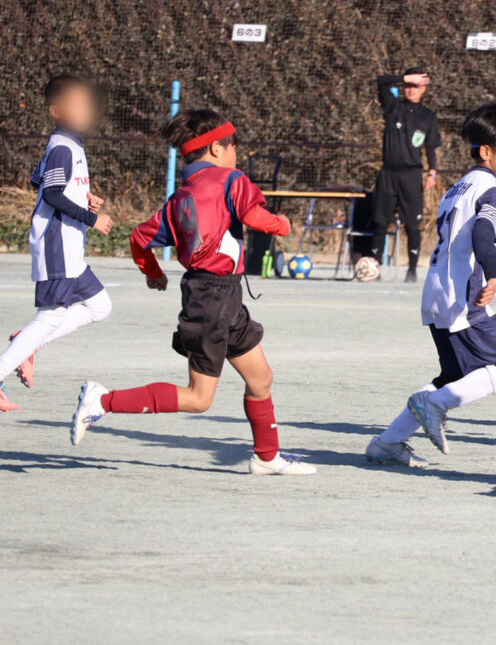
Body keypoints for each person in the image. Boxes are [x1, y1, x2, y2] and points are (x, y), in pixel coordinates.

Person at [69, 109, 316, 475]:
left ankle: (267, 458)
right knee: (199, 398)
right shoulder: (232, 179)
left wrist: (154, 273)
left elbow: (139, 238)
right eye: (234, 146)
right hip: (214, 299)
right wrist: (282, 224)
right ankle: (102, 400)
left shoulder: (180, 196)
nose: (236, 153)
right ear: (217, 148)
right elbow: (255, 217)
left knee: (261, 378)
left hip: (217, 295)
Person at [365, 99, 496, 467]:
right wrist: (495, 273)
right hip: (465, 300)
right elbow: (483, 236)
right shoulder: (494, 191)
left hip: (437, 295)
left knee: (455, 375)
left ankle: (388, 442)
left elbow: (461, 245)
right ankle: (436, 405)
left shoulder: (458, 188)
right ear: (487, 151)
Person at [0, 75, 114, 412]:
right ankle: (16, 354)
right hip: (56, 246)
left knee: (100, 306)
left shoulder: (69, 145)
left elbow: (38, 178)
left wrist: (83, 197)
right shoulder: (63, 146)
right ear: (56, 111)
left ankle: (27, 342)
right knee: (49, 318)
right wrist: (92, 218)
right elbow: (50, 194)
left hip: (70, 247)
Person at [371, 68, 442, 283]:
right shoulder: (394, 107)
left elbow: (431, 147)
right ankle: (374, 267)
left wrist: (433, 172)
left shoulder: (428, 117)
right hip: (388, 174)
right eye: (408, 86)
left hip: (411, 175)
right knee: (380, 222)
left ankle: (411, 270)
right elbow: (381, 81)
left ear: (424, 89)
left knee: (412, 224)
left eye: (416, 86)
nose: (411, 90)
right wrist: (404, 78)